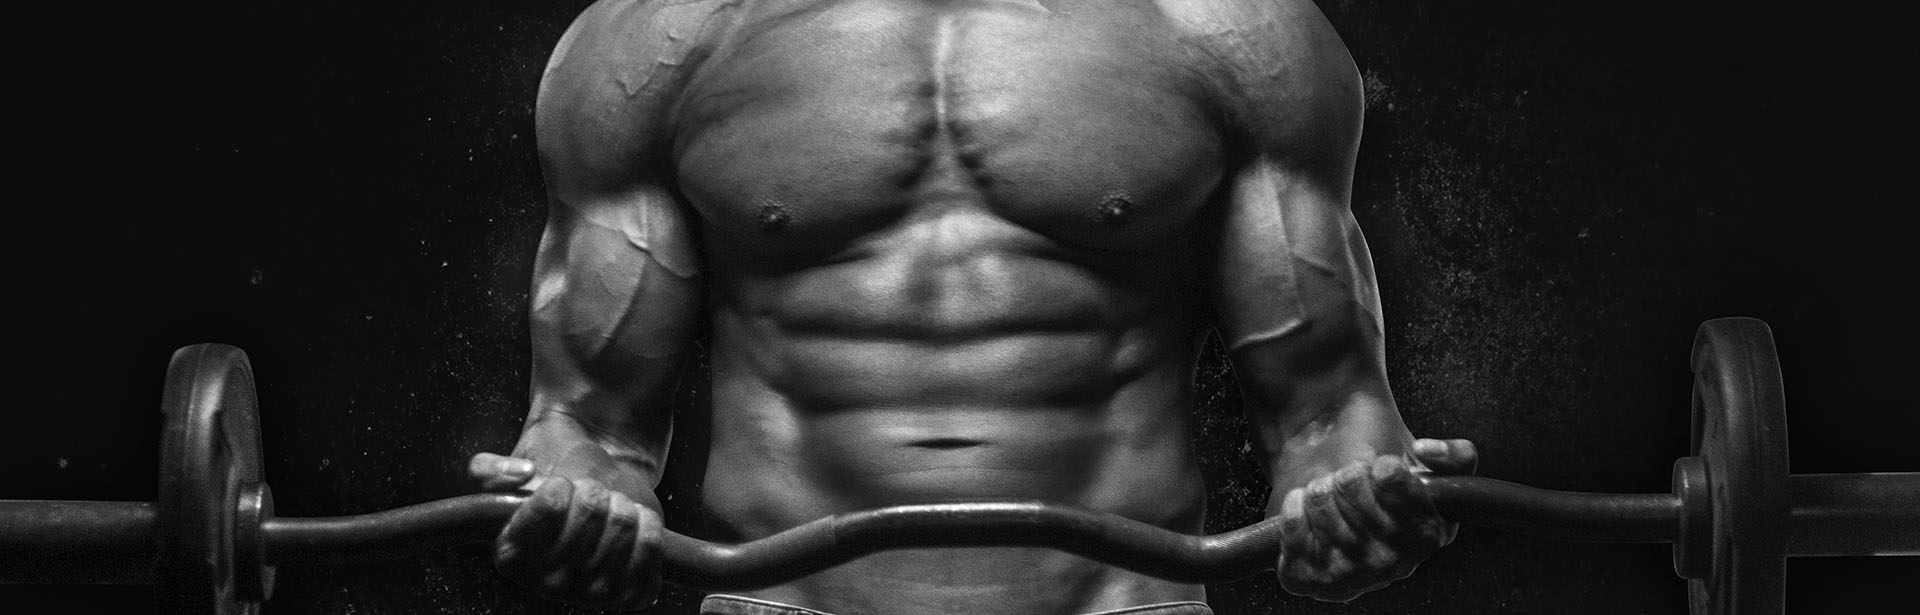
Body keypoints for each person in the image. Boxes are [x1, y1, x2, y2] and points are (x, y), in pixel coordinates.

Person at [468, 0, 1479, 613]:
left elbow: (1328, 412)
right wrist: (580, 504)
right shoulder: (656, 42)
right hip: (785, 605)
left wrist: (1349, 506)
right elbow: (588, 424)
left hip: (1120, 606)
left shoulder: (1232, 32)